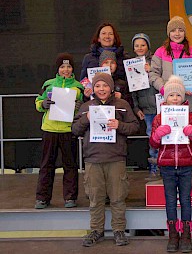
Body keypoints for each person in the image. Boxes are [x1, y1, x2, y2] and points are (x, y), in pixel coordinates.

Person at [72, 73, 140, 247]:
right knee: (95, 198)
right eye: (97, 86)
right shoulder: (86, 107)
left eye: (105, 86)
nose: (101, 89)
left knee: (118, 197)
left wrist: (120, 125)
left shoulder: (122, 105)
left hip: (115, 158)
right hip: (93, 159)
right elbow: (74, 130)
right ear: (93, 89)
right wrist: (85, 120)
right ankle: (96, 230)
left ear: (111, 87)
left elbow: (134, 127)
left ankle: (119, 230)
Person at [150, 75, 192, 253]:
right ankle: (173, 235)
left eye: (178, 95)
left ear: (183, 98)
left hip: (186, 164)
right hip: (166, 165)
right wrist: (157, 135)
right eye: (171, 95)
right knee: (170, 200)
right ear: (165, 98)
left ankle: (186, 235)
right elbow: (153, 143)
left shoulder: (191, 117)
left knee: (186, 200)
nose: (174, 98)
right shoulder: (158, 118)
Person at [34, 53, 84, 209]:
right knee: (46, 165)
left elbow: (83, 107)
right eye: (62, 66)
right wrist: (43, 104)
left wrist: (79, 107)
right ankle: (42, 198)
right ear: (57, 69)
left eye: (69, 66)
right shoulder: (48, 84)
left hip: (68, 130)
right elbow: (37, 102)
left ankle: (70, 197)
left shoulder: (78, 86)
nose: (66, 70)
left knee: (70, 165)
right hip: (49, 129)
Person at [149, 16, 192, 113]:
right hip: (167, 104)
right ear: (169, 33)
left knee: (190, 128)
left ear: (184, 32)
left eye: (180, 30)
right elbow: (153, 74)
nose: (177, 34)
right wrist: (164, 89)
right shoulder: (160, 52)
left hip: (188, 103)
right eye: (173, 30)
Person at [131, 33, 160, 181]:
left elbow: (160, 79)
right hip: (146, 110)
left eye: (143, 45)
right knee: (152, 138)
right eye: (137, 45)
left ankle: (165, 167)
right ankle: (154, 169)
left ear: (148, 46)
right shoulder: (131, 65)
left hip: (159, 107)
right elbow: (133, 92)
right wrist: (136, 108)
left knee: (163, 137)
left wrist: (151, 71)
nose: (140, 48)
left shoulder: (155, 60)